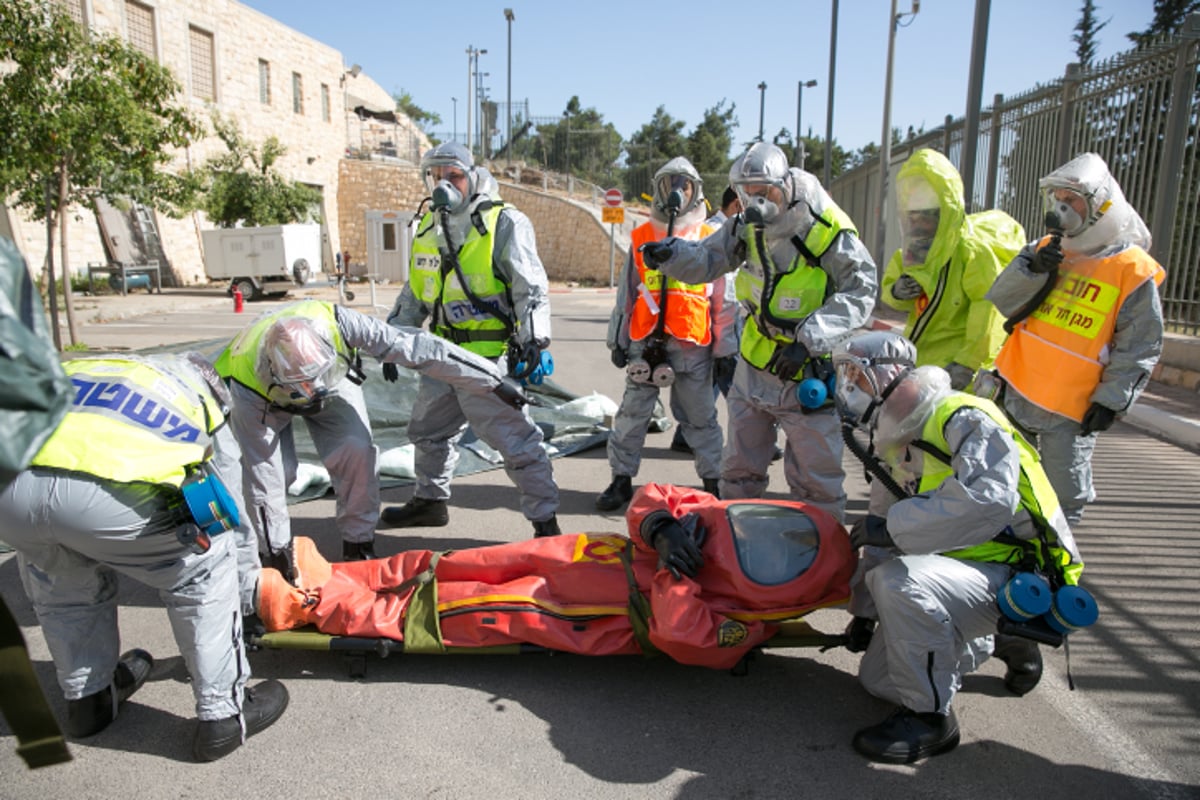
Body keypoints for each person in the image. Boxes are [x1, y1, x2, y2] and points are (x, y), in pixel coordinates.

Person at [0, 353, 289, 761]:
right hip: (108, 496)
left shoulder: (88, 368)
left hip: (11, 491)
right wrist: (247, 585)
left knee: (63, 582)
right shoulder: (199, 395)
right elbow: (225, 495)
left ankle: (89, 701)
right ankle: (226, 711)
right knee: (204, 567)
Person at [255, 482, 854, 670]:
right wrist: (665, 529)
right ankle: (335, 573)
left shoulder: (747, 624)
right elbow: (656, 495)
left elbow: (683, 636)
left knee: (451, 607)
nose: (745, 539)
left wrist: (677, 575)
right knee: (452, 564)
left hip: (584, 614)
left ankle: (307, 606)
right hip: (585, 554)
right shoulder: (715, 524)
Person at [831, 330, 1084, 764]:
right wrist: (866, 614)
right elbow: (883, 526)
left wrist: (894, 528)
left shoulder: (961, 416)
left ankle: (931, 720)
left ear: (891, 374)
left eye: (856, 373)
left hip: (1021, 572)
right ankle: (996, 637)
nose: (848, 386)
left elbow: (988, 502)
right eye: (844, 373)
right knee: (878, 681)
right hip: (962, 569)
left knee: (899, 583)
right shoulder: (897, 440)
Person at [640, 142, 878, 521]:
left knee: (816, 480)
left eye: (763, 192)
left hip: (806, 370)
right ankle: (736, 546)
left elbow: (861, 289)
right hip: (754, 363)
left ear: (784, 185)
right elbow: (709, 258)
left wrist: (808, 340)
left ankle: (822, 561)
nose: (755, 202)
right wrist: (672, 255)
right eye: (745, 193)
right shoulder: (746, 225)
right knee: (738, 471)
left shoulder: (824, 227)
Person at [214, 298, 532, 575]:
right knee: (277, 474)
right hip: (267, 395)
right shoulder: (246, 382)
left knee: (356, 451)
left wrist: (491, 380)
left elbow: (420, 348)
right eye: (304, 390)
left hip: (329, 376)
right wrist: (277, 554)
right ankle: (269, 555)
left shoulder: (341, 323)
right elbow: (262, 480)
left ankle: (358, 544)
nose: (310, 396)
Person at [384, 141, 561, 538]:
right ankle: (430, 502)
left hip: (487, 358)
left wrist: (535, 339)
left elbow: (530, 287)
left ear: (473, 177)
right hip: (441, 354)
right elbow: (415, 292)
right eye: (436, 176)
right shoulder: (429, 227)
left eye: (454, 176)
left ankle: (546, 524)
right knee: (427, 432)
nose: (443, 184)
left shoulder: (504, 223)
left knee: (516, 442)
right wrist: (393, 340)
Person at [984, 153, 1165, 524]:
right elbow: (1003, 300)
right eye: (1059, 200)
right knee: (1007, 484)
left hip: (1071, 407)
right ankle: (1011, 560)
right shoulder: (1045, 250)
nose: (1062, 209)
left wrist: (1112, 401)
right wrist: (1034, 270)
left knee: (1062, 499)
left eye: (1073, 201)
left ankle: (1055, 570)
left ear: (1102, 206)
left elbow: (1141, 343)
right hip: (1016, 390)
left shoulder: (1130, 269)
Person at [597, 158, 733, 511]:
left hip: (692, 343)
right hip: (646, 342)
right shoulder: (643, 236)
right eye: (669, 182)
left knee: (701, 419)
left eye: (684, 183)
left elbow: (723, 300)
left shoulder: (710, 238)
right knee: (631, 416)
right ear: (658, 187)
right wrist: (618, 340)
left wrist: (725, 352)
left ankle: (713, 482)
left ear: (696, 189)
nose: (676, 190)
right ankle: (621, 480)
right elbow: (627, 292)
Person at [880, 148, 1025, 390]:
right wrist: (896, 291)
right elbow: (892, 296)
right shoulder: (913, 253)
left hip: (956, 369)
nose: (918, 226)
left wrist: (967, 364)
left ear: (943, 215)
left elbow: (988, 312)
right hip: (919, 361)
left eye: (925, 218)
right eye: (912, 218)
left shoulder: (972, 252)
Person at [669, 185, 744, 455]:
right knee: (734, 387)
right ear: (737, 204)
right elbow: (726, 287)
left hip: (714, 320)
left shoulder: (713, 228)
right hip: (717, 320)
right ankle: (752, 439)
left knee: (709, 384)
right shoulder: (718, 232)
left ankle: (685, 434)